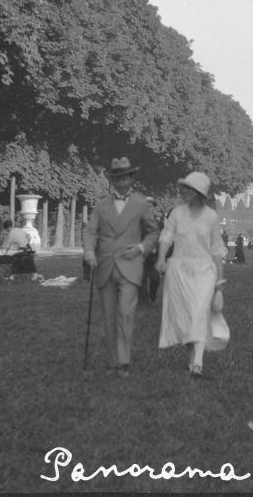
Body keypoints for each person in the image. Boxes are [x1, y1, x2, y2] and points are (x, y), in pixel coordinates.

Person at [83, 157, 161, 376]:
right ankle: (112, 362)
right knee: (109, 316)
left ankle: (124, 361)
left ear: (131, 179)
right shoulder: (101, 204)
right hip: (105, 265)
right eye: (117, 178)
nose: (121, 183)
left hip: (130, 265)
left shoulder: (141, 203)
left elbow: (153, 231)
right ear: (112, 180)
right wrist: (89, 251)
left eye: (125, 178)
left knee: (125, 313)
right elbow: (90, 231)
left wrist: (141, 248)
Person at [156, 172, 229, 378]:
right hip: (179, 271)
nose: (183, 192)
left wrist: (220, 279)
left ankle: (198, 362)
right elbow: (167, 236)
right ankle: (191, 360)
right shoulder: (177, 213)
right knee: (184, 318)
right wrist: (161, 258)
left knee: (198, 314)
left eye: (188, 189)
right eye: (184, 189)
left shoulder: (211, 217)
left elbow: (216, 249)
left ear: (198, 193)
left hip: (204, 272)